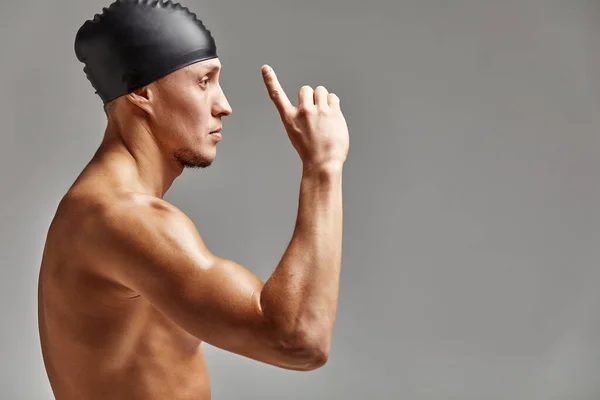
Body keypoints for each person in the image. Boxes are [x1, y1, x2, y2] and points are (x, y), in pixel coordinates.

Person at [37, 0, 349, 399]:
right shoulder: (122, 219)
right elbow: (298, 340)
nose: (224, 105)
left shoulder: (99, 210)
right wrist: (323, 167)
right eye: (204, 81)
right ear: (142, 92)